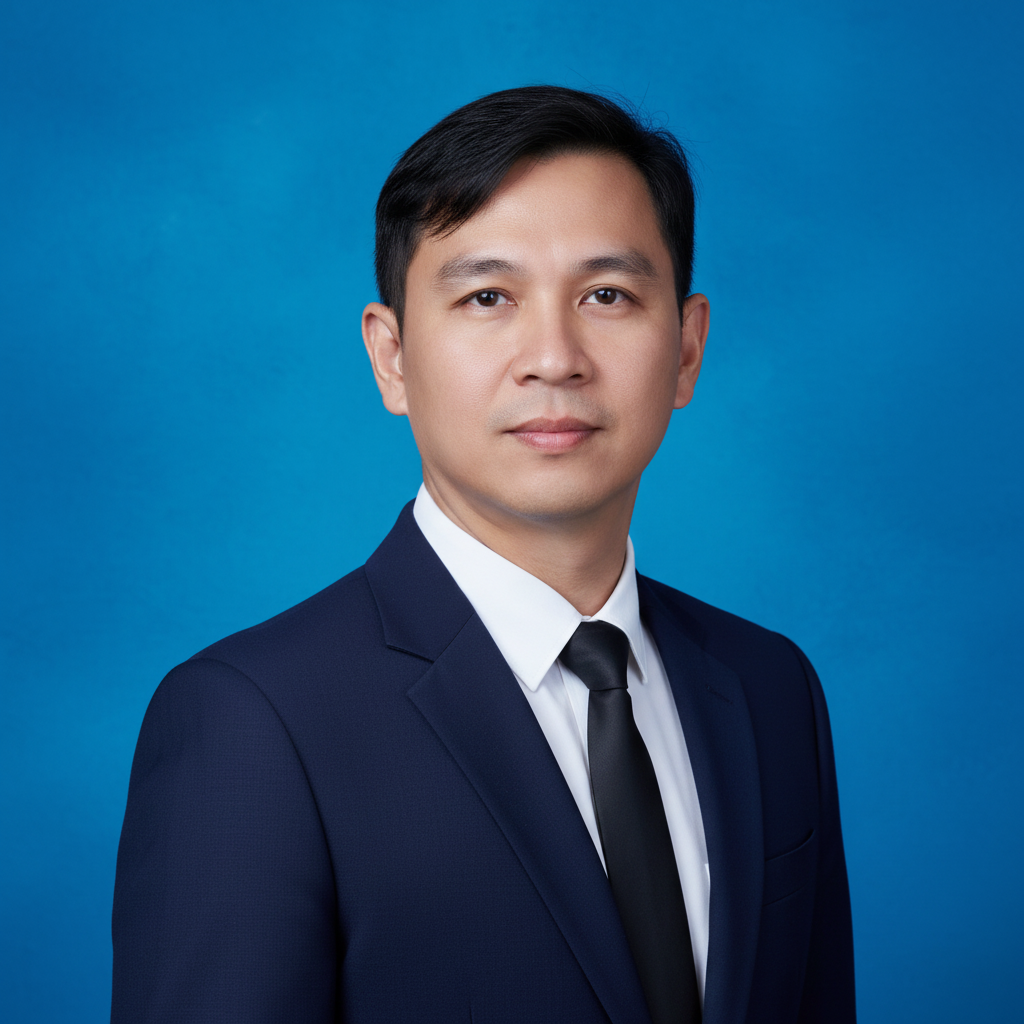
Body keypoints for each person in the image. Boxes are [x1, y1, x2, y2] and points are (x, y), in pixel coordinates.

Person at [111, 85, 855, 1024]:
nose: (554, 357)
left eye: (608, 295)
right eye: (488, 297)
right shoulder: (251, 724)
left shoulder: (769, 687)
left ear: (687, 348)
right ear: (391, 357)